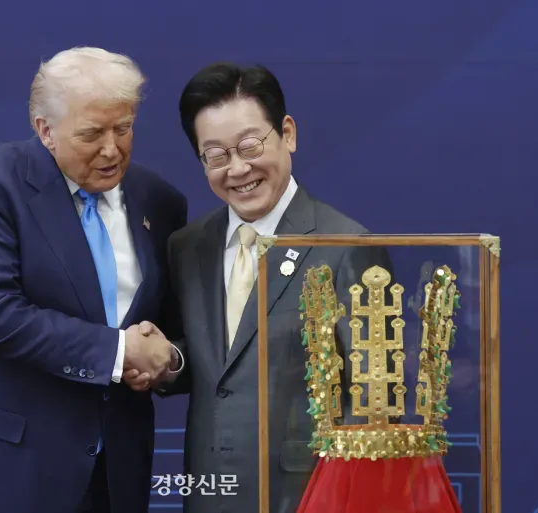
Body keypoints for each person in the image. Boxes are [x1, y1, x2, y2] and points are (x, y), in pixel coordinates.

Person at [0, 47, 187, 513]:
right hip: (0, 468)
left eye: (124, 128)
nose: (112, 149)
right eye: (92, 133)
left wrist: (167, 358)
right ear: (45, 130)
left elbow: (167, 329)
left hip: (112, 476)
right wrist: (119, 352)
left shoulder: (160, 201)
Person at [123, 63, 393, 513]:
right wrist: (168, 361)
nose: (238, 168)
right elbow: (214, 364)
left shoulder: (347, 247)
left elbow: (375, 399)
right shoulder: (188, 246)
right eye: (216, 155)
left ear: (287, 133)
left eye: (250, 145)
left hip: (307, 496)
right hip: (210, 492)